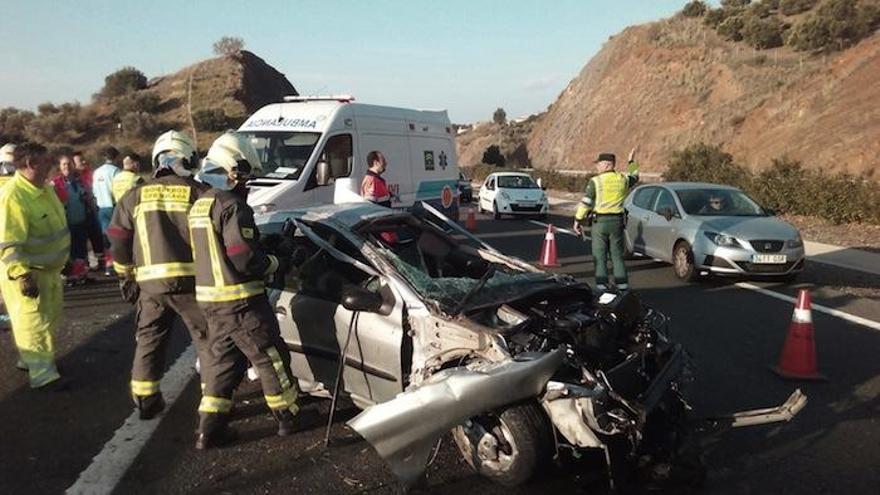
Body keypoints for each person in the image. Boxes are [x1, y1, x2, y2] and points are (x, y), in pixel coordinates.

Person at [189, 132, 298, 449]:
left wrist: (258, 242)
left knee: (222, 366)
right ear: (231, 171)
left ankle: (208, 430)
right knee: (270, 358)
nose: (247, 184)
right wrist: (276, 262)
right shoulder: (233, 206)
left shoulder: (201, 204)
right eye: (245, 175)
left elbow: (219, 250)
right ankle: (288, 416)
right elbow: (243, 258)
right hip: (240, 302)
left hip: (211, 303)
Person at [107, 130, 210, 420]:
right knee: (208, 340)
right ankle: (212, 404)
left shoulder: (134, 195)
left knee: (149, 340)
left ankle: (146, 399)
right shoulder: (199, 193)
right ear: (189, 159)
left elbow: (117, 238)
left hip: (150, 287)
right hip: (194, 285)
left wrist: (125, 275)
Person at [0, 142, 71, 390]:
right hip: (29, 273)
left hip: (49, 271)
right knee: (33, 322)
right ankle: (43, 376)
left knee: (49, 318)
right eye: (46, 162)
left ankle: (29, 361)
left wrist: (66, 259)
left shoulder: (44, 189)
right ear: (30, 165)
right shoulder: (13, 197)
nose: (51, 166)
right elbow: (8, 243)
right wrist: (22, 275)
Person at [572, 148, 640, 292]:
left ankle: (602, 286)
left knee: (600, 256)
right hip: (617, 223)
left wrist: (578, 220)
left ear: (608, 164)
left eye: (599, 163)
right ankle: (622, 285)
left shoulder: (596, 181)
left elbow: (586, 202)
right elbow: (635, 175)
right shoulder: (622, 179)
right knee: (617, 256)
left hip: (600, 223)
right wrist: (631, 160)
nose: (597, 166)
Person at [54, 155, 95, 284]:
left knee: (81, 249)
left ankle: (81, 273)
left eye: (69, 164)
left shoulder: (80, 182)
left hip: (81, 220)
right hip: (64, 223)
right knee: (68, 251)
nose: (67, 166)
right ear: (60, 167)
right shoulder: (55, 183)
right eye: (64, 164)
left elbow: (89, 198)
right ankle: (69, 275)